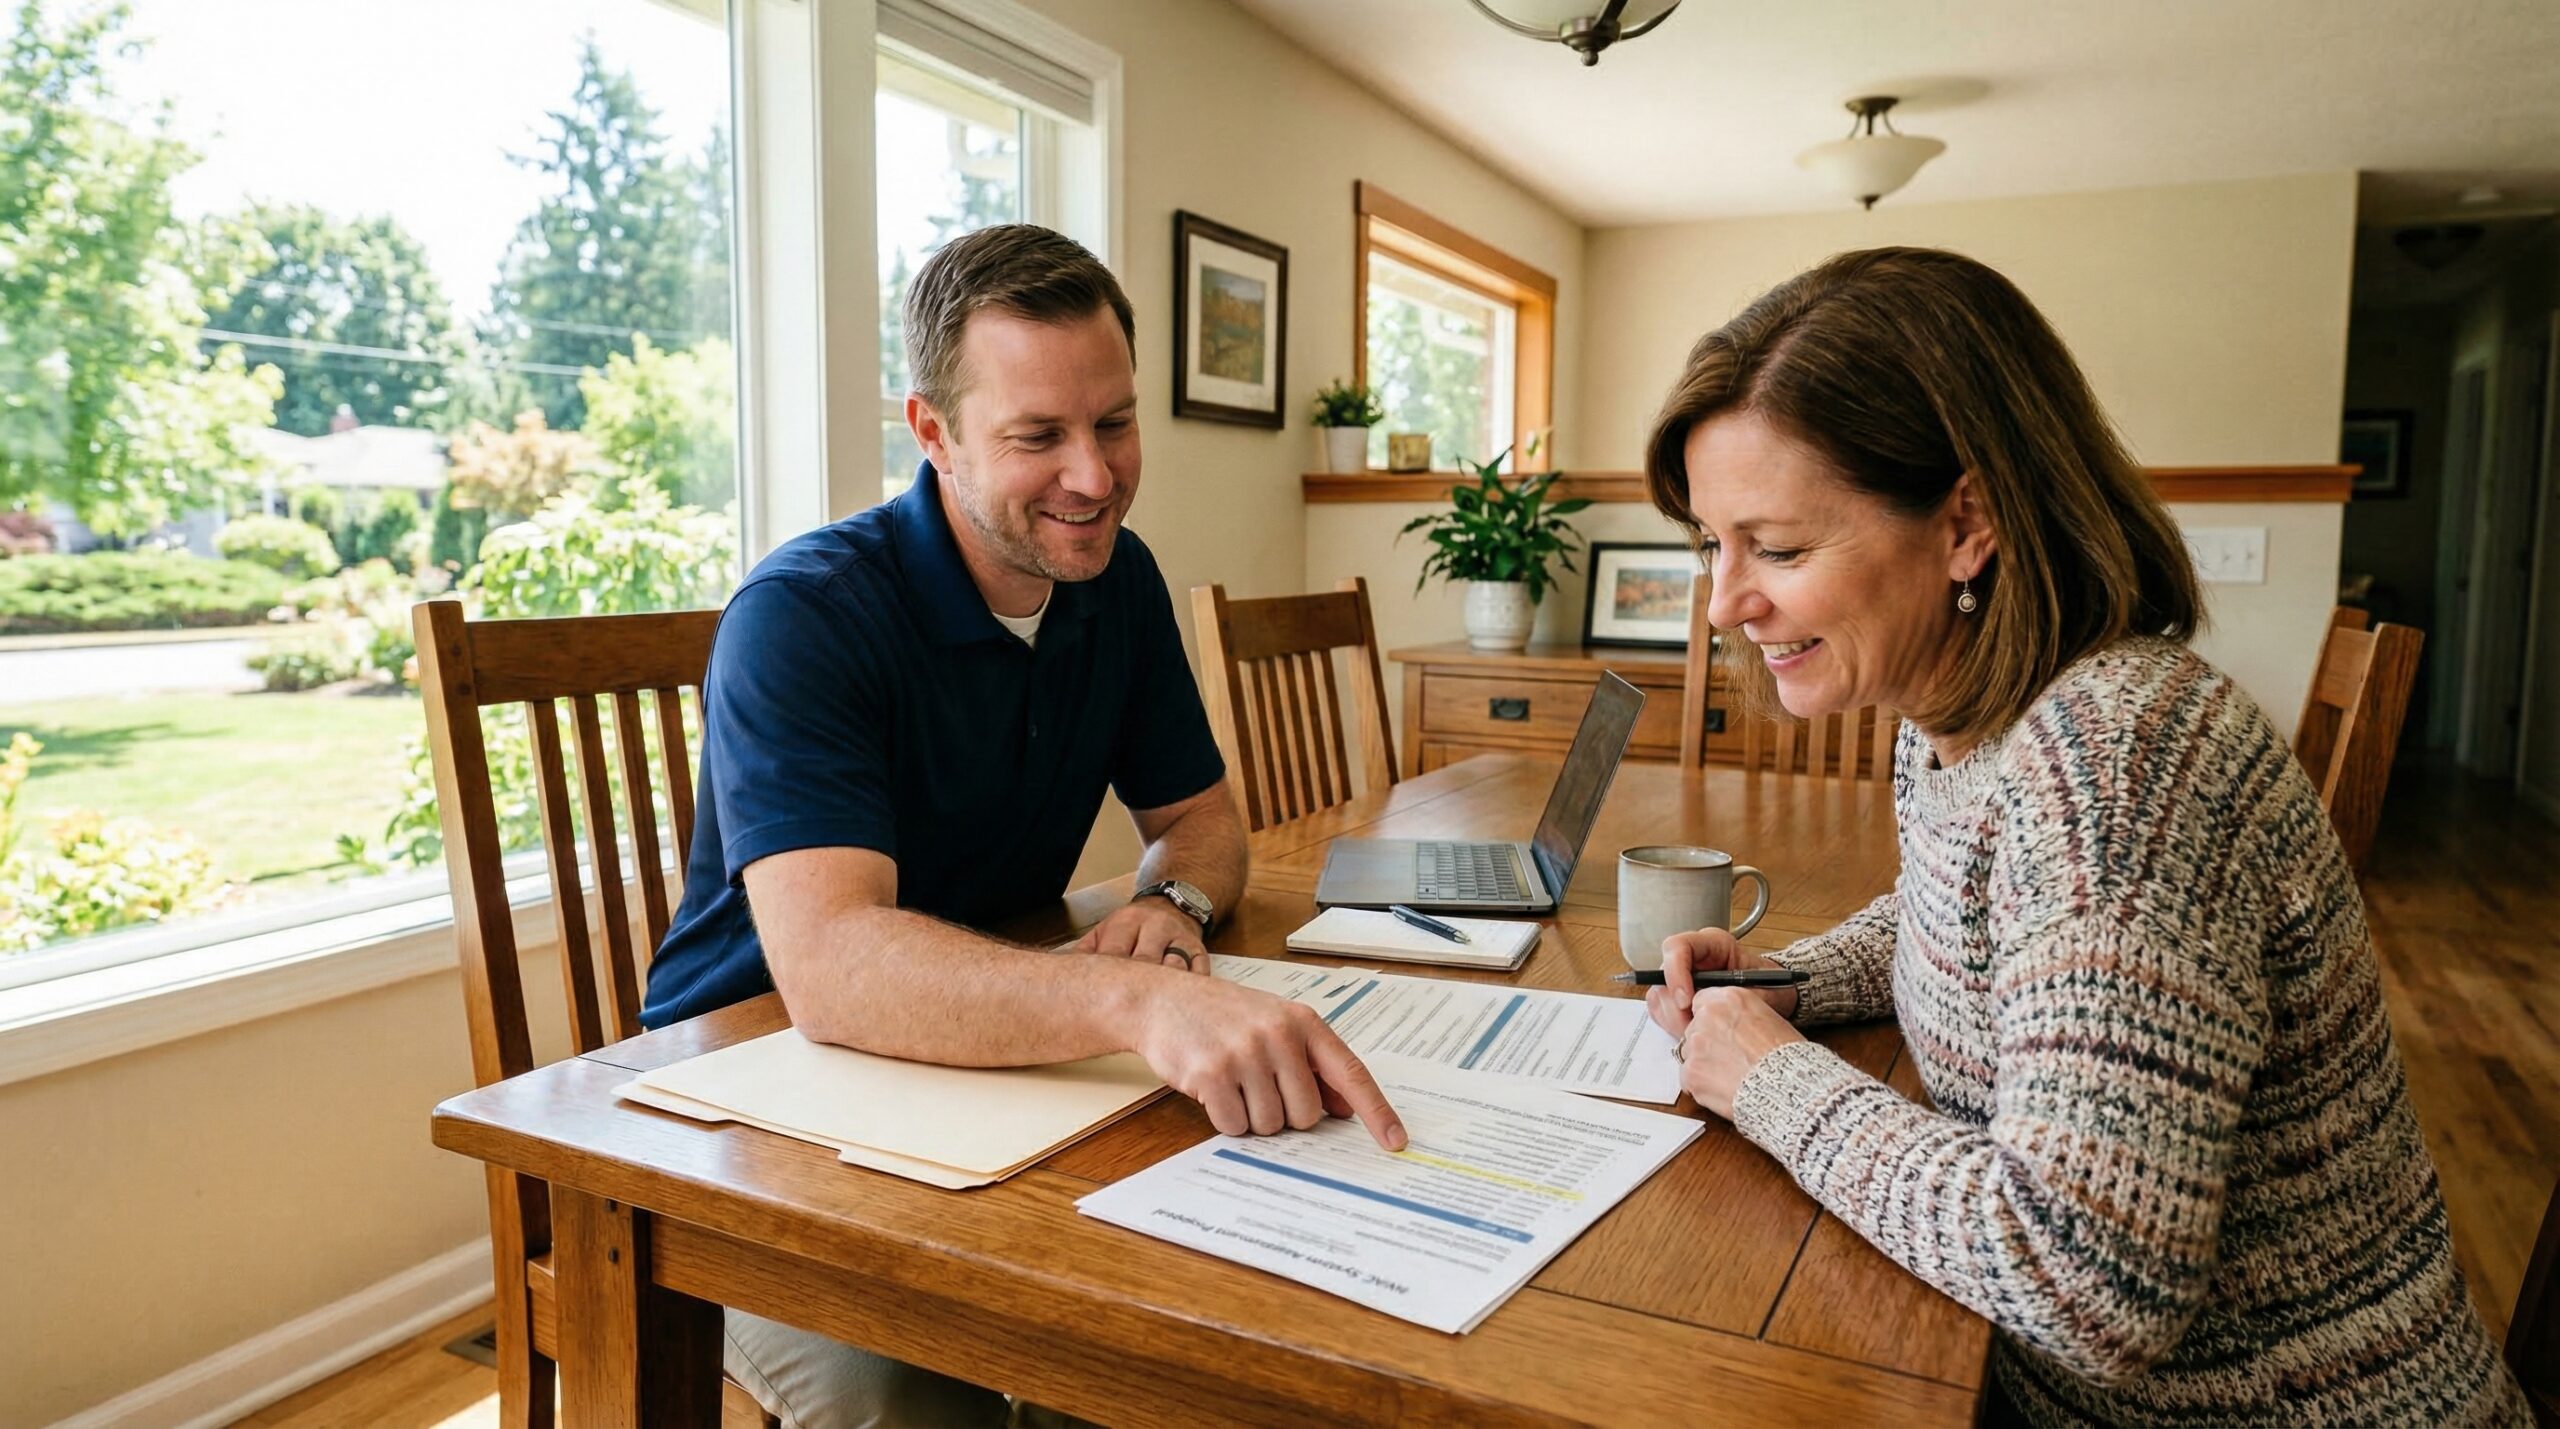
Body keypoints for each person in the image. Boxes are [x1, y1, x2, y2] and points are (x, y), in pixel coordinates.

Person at [1639, 246, 2531, 1426]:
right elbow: (1959, 907)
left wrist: (1770, 1079)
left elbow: (2085, 1281)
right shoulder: (1956, 715)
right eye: (1712, 543)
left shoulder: (2122, 763)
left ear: (1969, 522)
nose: (1723, 602)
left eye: (1781, 548)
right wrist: (1795, 977)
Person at [641, 224, 1407, 1429]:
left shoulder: (1118, 581)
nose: (1093, 476)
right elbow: (833, 970)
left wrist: (1173, 902)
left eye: (1113, 422)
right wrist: (1141, 1001)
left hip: (986, 1070)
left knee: (1171, 1338)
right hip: (750, 1102)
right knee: (930, 1399)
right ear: (933, 432)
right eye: (1037, 435)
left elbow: (1206, 821)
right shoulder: (803, 616)